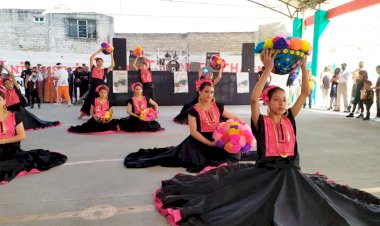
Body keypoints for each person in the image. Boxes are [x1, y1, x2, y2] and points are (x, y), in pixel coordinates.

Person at [153, 49, 380, 225]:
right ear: (267, 103)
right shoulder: (260, 122)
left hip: (292, 173)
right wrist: (268, 69)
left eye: (284, 99)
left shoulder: (290, 117)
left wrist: (303, 68)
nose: (282, 103)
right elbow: (253, 100)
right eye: (276, 99)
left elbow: (304, 93)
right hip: (266, 174)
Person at [124, 80, 243, 173]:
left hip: (216, 138)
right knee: (198, 162)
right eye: (206, 91)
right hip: (199, 142)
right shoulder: (193, 110)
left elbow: (233, 118)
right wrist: (209, 143)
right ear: (200, 92)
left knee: (233, 154)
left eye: (211, 92)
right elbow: (194, 132)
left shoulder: (218, 106)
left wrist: (241, 124)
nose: (209, 95)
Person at [0, 89, 67, 184]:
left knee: (14, 163)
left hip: (10, 149)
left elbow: (21, 136)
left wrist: (2, 141)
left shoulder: (14, 116)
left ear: (4, 101)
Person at [1, 64, 60, 130]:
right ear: (4, 85)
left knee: (33, 122)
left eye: (9, 83)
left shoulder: (16, 89)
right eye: (6, 84)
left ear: (12, 83)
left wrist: (4, 67)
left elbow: (12, 75)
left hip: (19, 110)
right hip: (10, 111)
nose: (8, 85)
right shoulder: (4, 93)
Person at [78, 48, 114, 119]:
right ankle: (83, 113)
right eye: (99, 61)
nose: (100, 63)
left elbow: (112, 65)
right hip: (93, 86)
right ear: (96, 62)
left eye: (101, 62)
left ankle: (104, 113)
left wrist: (111, 54)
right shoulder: (93, 67)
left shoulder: (105, 70)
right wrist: (99, 51)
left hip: (101, 88)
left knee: (102, 100)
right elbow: (91, 58)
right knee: (89, 100)